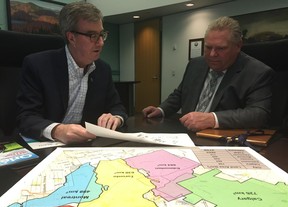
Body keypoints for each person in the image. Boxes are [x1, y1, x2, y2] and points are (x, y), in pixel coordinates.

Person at [16, 2, 127, 144]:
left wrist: (116, 117)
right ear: (71, 37)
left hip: (85, 146)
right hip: (47, 146)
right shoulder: (38, 65)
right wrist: (57, 130)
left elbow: (117, 106)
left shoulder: (103, 69)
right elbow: (25, 117)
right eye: (92, 35)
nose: (100, 43)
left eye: (102, 35)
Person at [143, 16, 274, 131]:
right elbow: (180, 94)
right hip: (186, 133)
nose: (212, 54)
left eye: (221, 48)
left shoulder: (257, 72)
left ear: (238, 46)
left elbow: (259, 114)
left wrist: (212, 119)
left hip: (220, 138)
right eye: (208, 47)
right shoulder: (195, 64)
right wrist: (161, 110)